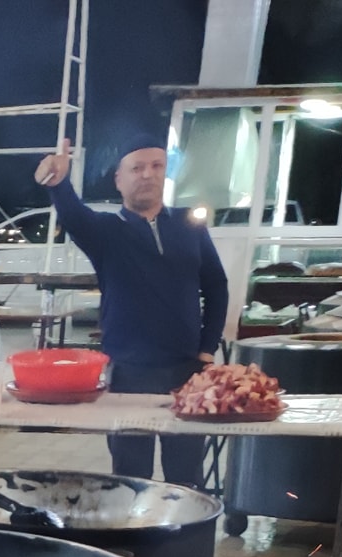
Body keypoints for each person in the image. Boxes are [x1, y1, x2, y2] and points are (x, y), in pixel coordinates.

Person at [34, 134, 228, 487]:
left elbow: (217, 286)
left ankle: (185, 525)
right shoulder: (106, 231)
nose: (147, 174)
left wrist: (207, 349)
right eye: (136, 168)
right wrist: (59, 184)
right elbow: (74, 216)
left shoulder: (190, 225)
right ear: (119, 180)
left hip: (188, 370)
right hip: (127, 372)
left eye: (156, 166)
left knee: (186, 478)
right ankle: (131, 524)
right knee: (130, 477)